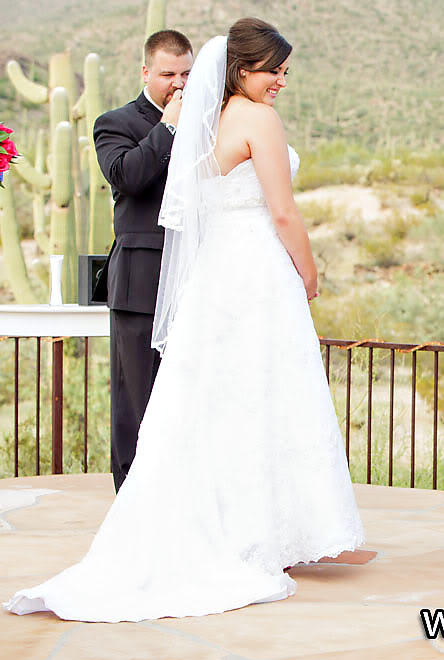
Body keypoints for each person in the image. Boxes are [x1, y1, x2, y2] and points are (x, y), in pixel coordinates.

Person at [4, 18, 364, 622]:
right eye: (272, 70)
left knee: (214, 402)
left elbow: (197, 195)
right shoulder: (256, 119)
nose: (280, 81)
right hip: (255, 275)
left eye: (283, 71)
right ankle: (260, 533)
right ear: (242, 70)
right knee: (263, 396)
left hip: (216, 276)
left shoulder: (208, 120)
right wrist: (308, 271)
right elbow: (282, 212)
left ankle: (234, 528)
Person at [94, 30, 193, 492]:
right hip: (141, 283)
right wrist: (168, 126)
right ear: (146, 72)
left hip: (197, 278)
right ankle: (132, 498)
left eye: (186, 73)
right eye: (168, 74)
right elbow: (128, 177)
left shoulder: (211, 123)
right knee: (137, 397)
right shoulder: (114, 122)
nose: (178, 83)